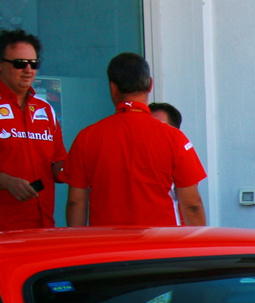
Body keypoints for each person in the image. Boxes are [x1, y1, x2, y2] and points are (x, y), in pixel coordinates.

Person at [64, 53, 207, 227]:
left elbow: (76, 203)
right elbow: (192, 205)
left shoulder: (87, 137)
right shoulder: (174, 137)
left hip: (106, 247)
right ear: (150, 85)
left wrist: (81, 247)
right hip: (161, 247)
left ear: (113, 88)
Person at [0, 28, 66, 231]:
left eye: (34, 63)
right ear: (1, 65)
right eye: (20, 64)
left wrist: (82, 161)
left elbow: (58, 166)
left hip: (43, 227)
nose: (28, 70)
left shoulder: (45, 109)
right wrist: (5, 181)